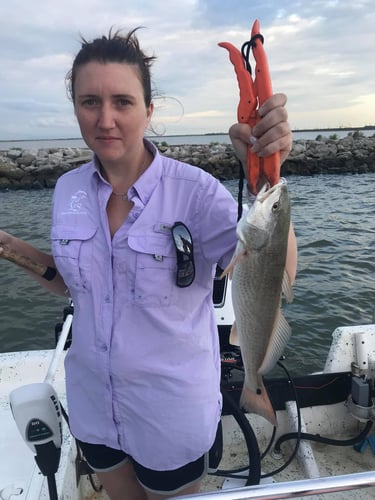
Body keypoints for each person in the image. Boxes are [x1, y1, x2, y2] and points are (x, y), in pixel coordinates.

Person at [0, 28, 295, 500]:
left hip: (170, 419)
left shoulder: (197, 193)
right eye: (89, 101)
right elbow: (74, 285)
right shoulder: (68, 190)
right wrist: (9, 245)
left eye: (122, 101)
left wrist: (269, 176)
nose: (106, 118)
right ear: (75, 106)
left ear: (149, 110)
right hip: (95, 408)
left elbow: (275, 274)